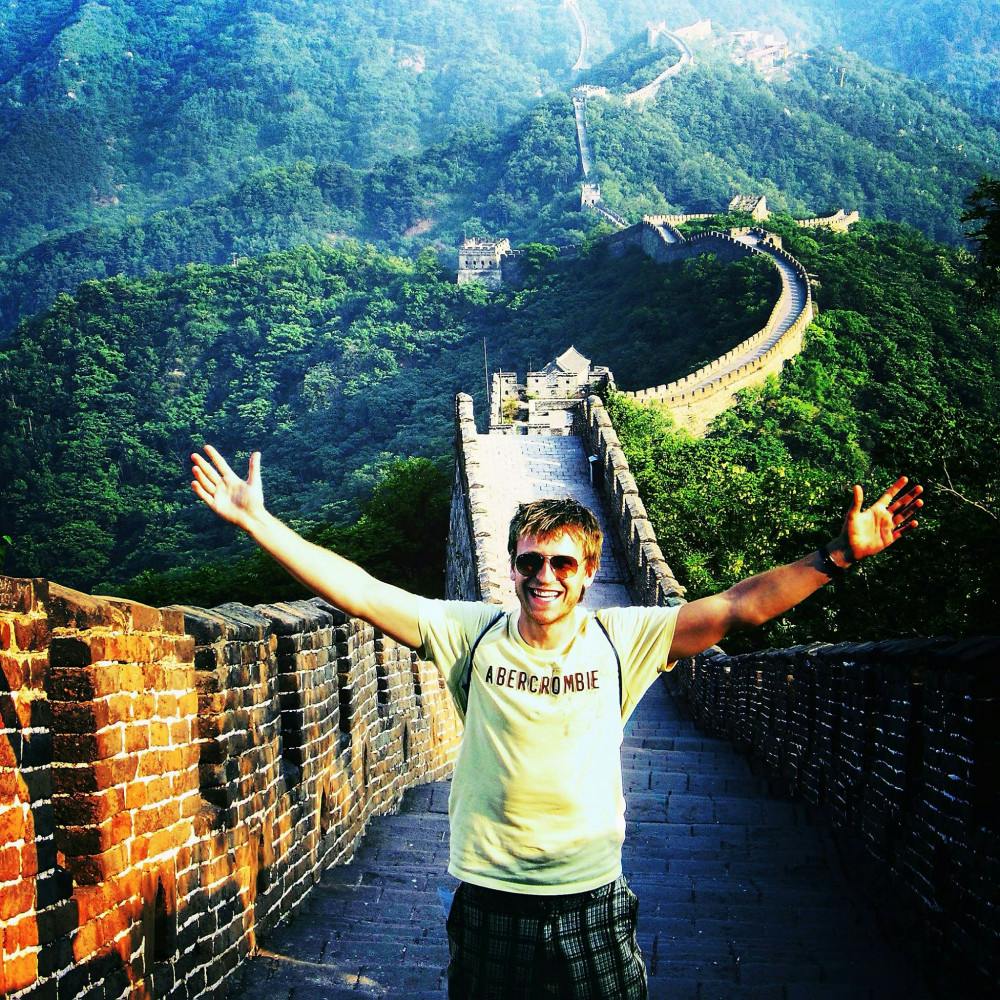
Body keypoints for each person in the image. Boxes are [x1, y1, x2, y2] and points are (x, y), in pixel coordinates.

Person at [190, 445, 923, 999]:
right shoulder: (470, 634)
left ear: (590, 572)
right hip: (491, 896)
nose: (545, 576)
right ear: (513, 566)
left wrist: (837, 556)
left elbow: (737, 608)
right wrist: (260, 522)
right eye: (531, 561)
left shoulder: (621, 639)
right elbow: (361, 591)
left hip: (591, 894)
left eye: (563, 564)